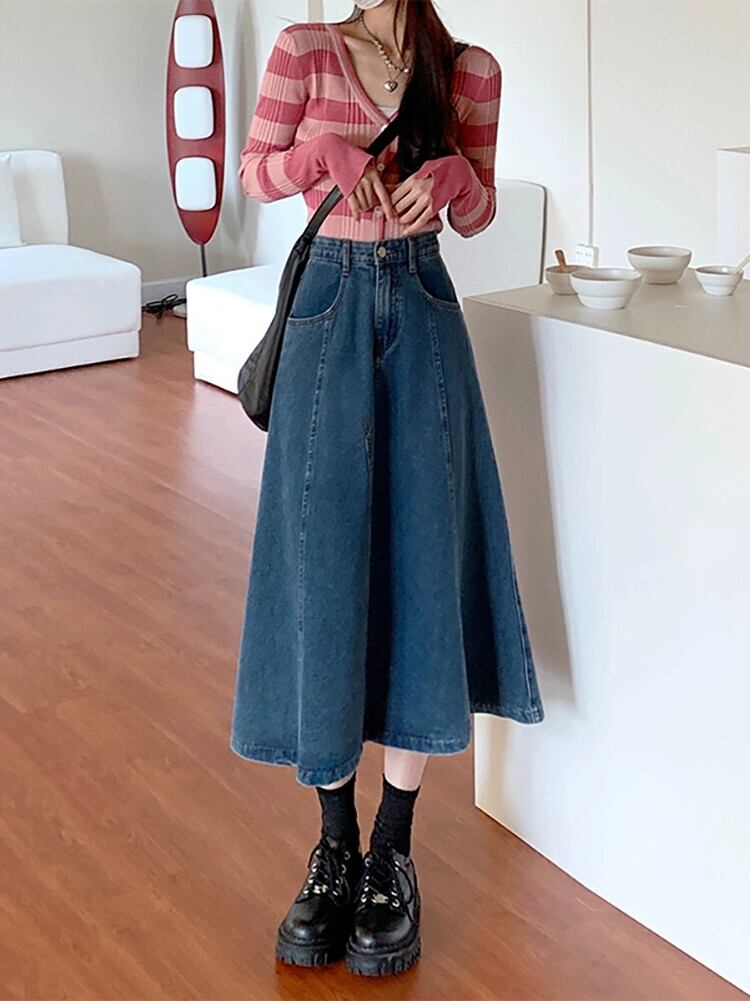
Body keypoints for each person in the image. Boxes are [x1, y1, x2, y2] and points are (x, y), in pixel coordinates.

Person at [229, 0, 544, 977]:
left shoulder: (470, 70)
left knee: (422, 567)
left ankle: (391, 852)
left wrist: (459, 180)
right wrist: (318, 154)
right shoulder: (305, 50)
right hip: (326, 307)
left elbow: (478, 212)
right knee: (321, 566)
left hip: (423, 304)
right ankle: (333, 844)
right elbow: (253, 171)